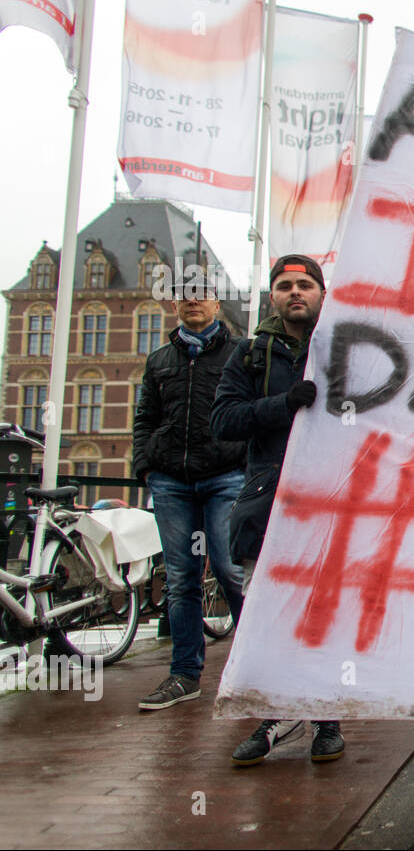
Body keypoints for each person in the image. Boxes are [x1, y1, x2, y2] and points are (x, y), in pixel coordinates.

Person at [209, 254, 342, 765]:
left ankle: (327, 720)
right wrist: (284, 403)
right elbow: (223, 421)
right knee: (268, 616)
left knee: (323, 613)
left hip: (331, 501)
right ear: (272, 297)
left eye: (305, 284)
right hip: (269, 504)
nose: (296, 292)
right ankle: (272, 715)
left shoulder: (343, 346)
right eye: (285, 285)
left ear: (322, 294)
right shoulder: (250, 355)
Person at [134, 286, 246, 711]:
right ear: (175, 305)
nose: (192, 301)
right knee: (180, 579)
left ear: (217, 306)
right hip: (171, 482)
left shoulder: (240, 354)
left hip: (223, 477)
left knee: (230, 569)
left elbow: (247, 412)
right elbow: (145, 417)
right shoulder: (159, 360)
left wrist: (242, 463)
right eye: (184, 295)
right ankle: (184, 674)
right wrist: (145, 466)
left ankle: (247, 665)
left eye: (202, 295)